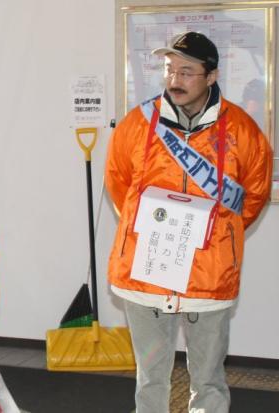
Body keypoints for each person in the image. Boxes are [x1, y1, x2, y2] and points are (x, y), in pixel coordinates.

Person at [105, 32, 273, 412]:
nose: (174, 80)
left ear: (211, 77)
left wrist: (215, 239)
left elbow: (253, 196)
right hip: (146, 273)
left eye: (186, 71)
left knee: (209, 379)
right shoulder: (137, 124)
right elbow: (118, 184)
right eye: (169, 70)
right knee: (150, 378)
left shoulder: (242, 131)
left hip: (209, 275)